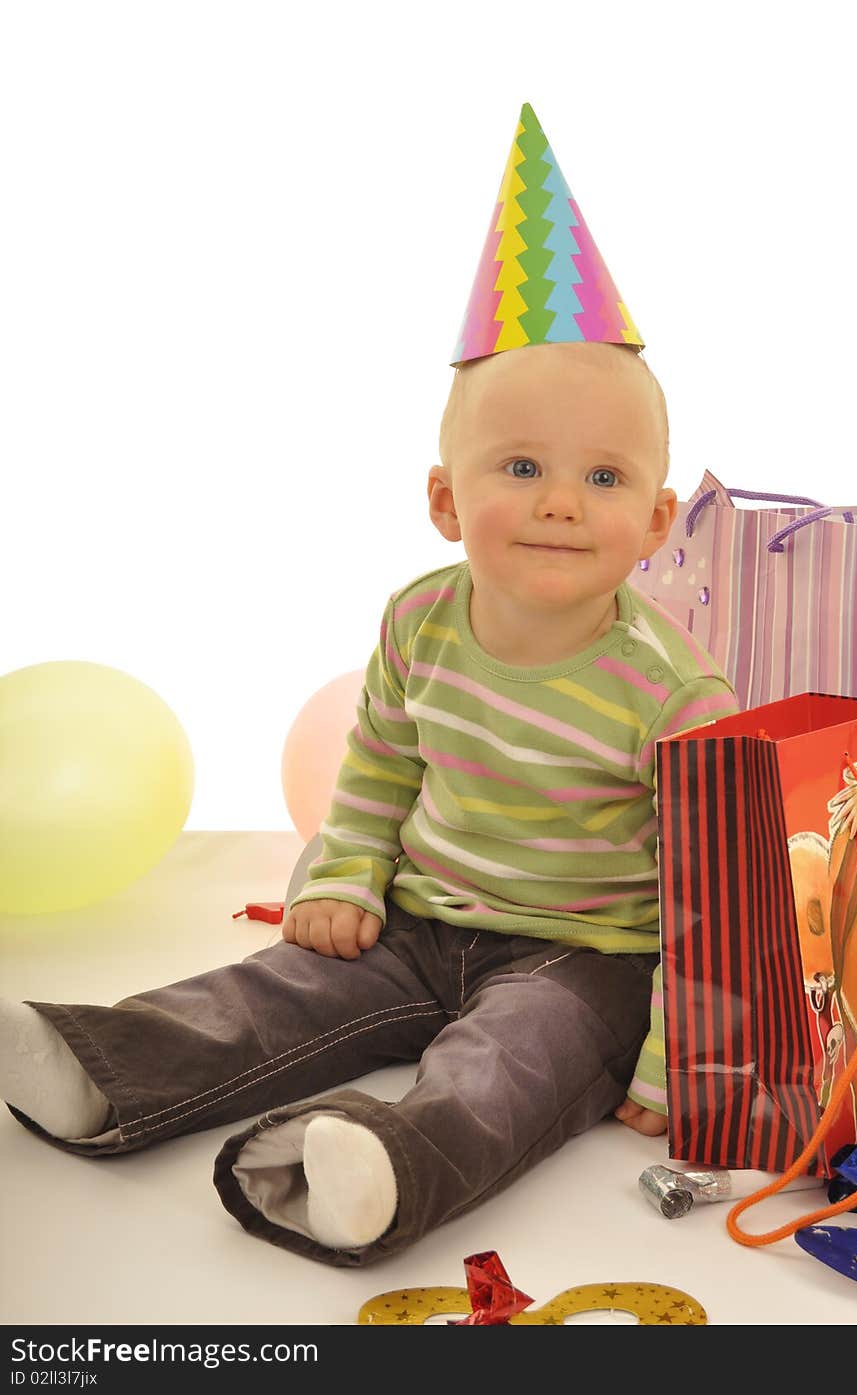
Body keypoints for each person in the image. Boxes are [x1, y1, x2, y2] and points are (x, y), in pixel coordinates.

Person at [0, 104, 739, 1268]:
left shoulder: (674, 695)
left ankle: (381, 1166)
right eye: (520, 467)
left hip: (592, 956)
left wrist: (678, 1055)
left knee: (513, 1061)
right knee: (278, 987)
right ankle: (105, 1065)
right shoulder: (419, 619)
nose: (559, 501)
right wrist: (346, 872)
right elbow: (383, 764)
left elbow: (714, 896)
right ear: (445, 500)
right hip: (420, 915)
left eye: (602, 476)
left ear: (652, 521)